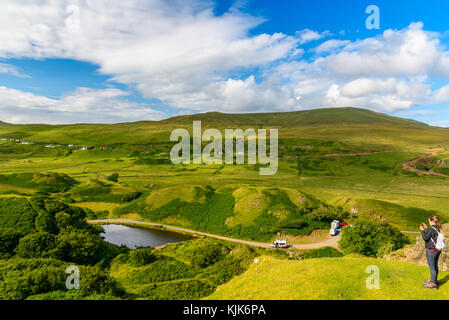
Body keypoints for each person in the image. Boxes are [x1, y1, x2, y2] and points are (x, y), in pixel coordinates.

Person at [420, 216, 444, 289]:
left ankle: (433, 284)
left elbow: (425, 238)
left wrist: (422, 230)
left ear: (432, 221)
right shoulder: (438, 228)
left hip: (431, 251)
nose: (429, 223)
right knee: (435, 266)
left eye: (429, 221)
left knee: (432, 267)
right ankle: (434, 280)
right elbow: (432, 234)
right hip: (438, 250)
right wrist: (427, 228)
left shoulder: (431, 229)